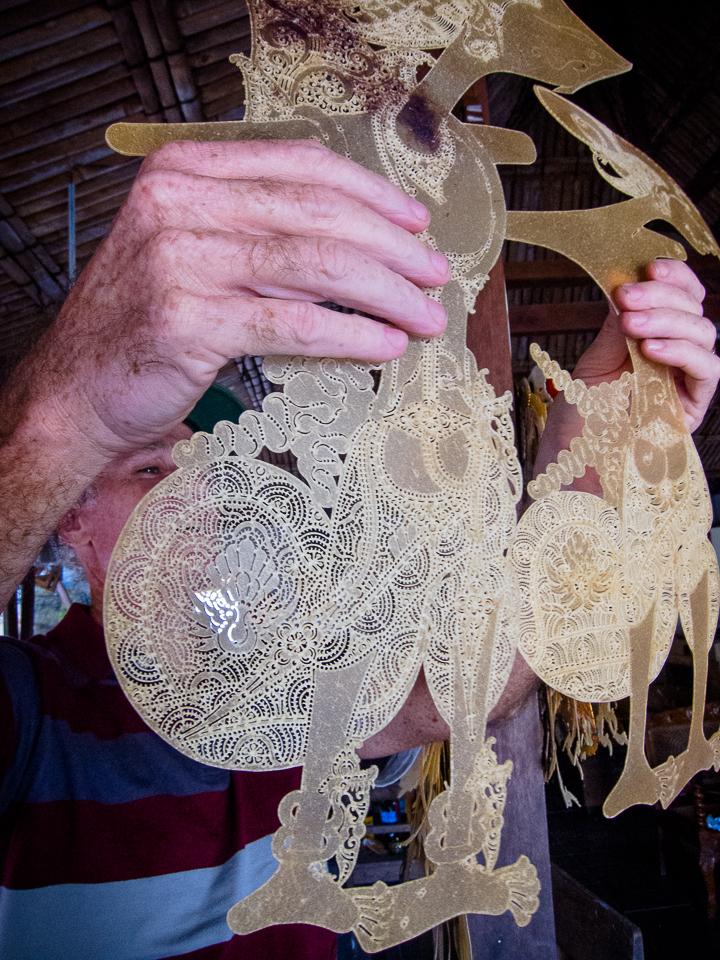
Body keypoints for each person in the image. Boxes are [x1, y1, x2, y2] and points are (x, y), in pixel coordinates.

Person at [0, 140, 717, 959]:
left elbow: (468, 678)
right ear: (71, 513)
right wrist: (63, 417)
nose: (197, 493)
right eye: (150, 466)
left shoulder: (285, 676)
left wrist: (587, 456)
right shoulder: (33, 710)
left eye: (208, 464)